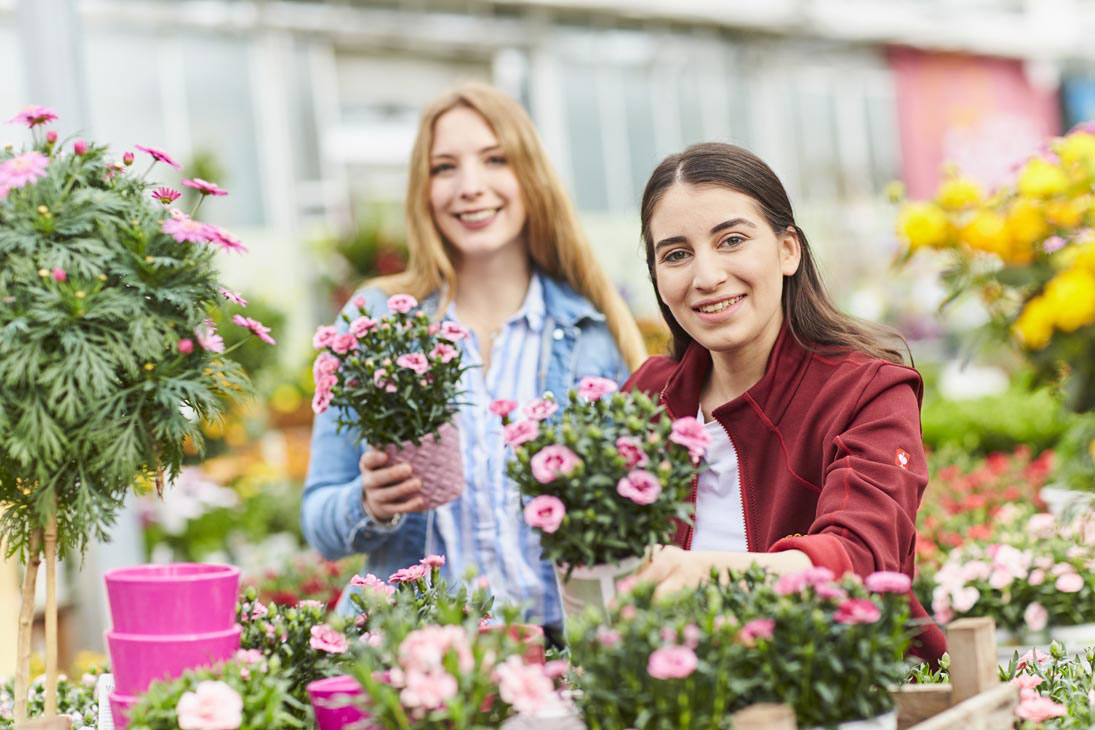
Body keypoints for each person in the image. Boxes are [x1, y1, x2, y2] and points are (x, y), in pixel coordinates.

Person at [300, 82, 646, 637]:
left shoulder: (593, 333)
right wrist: (369, 502)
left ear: (529, 175)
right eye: (444, 168)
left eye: (494, 159)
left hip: (559, 651)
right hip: (411, 652)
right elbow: (319, 520)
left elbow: (640, 511)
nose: (470, 187)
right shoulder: (379, 321)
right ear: (423, 189)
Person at [626, 142, 945, 663]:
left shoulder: (867, 391)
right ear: (658, 278)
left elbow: (861, 558)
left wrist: (694, 574)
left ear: (787, 250)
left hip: (834, 693)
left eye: (731, 240)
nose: (706, 276)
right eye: (676, 254)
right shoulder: (647, 397)